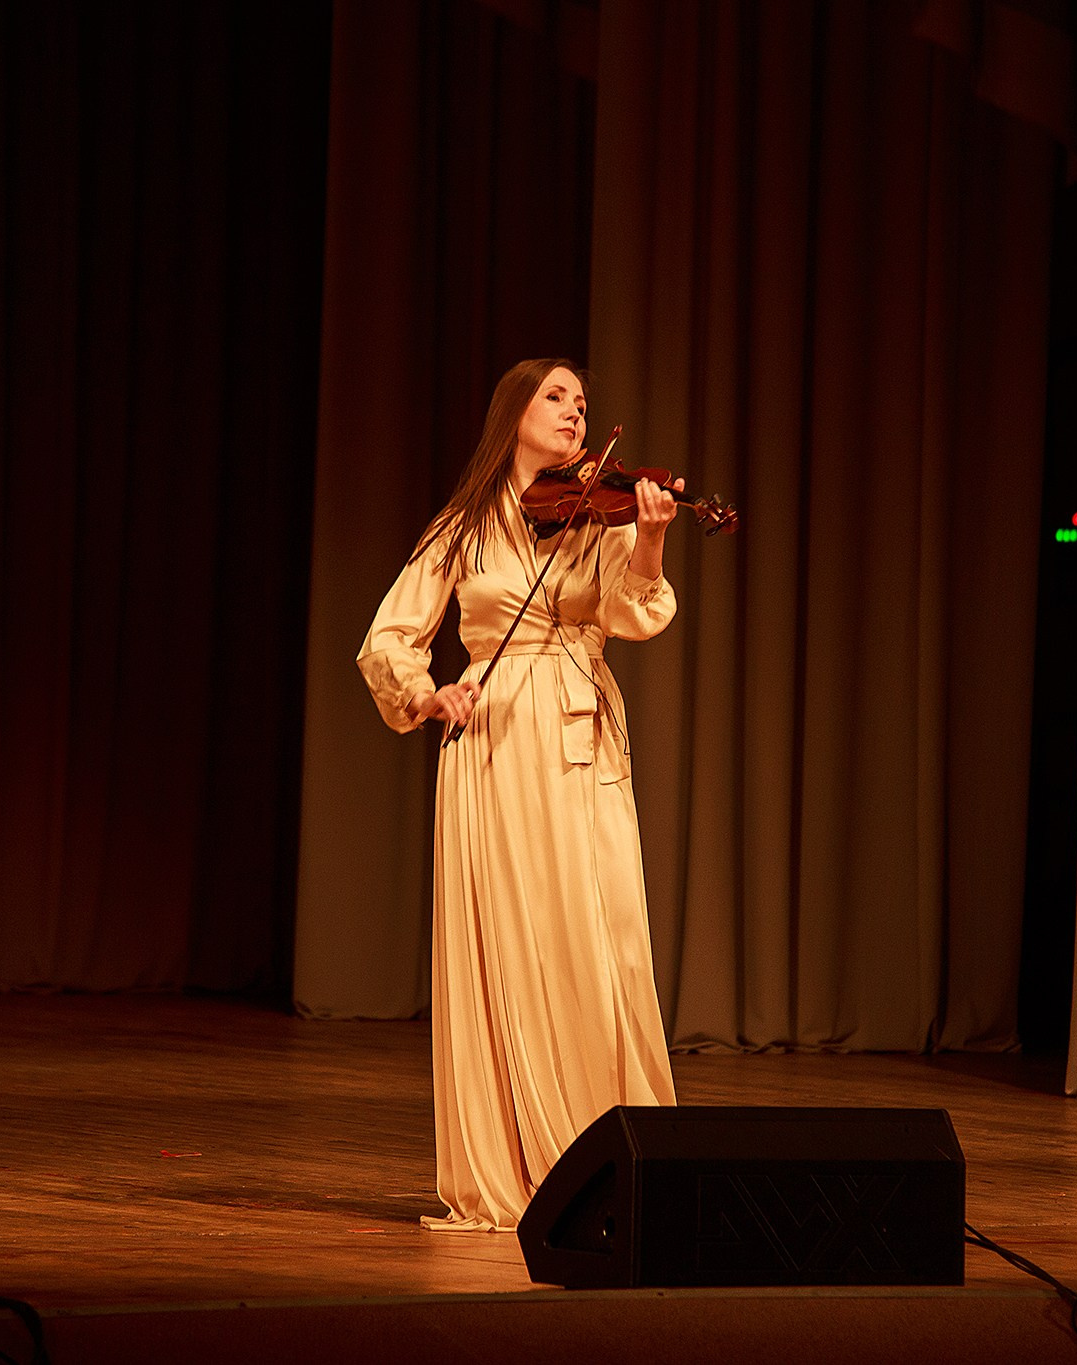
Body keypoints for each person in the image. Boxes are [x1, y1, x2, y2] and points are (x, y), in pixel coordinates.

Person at [358, 358, 682, 1232]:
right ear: (515, 413)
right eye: (556, 397)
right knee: (508, 941)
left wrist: (651, 537)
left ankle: (615, 1158)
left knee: (601, 946)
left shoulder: (600, 512)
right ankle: (515, 1165)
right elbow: (388, 638)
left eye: (583, 402)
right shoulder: (463, 525)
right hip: (493, 740)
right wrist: (428, 695)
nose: (576, 412)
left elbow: (633, 610)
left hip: (577, 733)